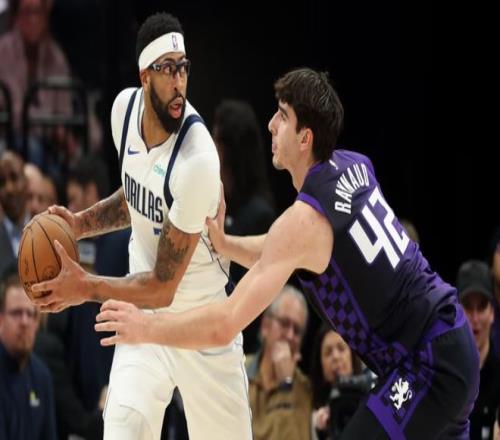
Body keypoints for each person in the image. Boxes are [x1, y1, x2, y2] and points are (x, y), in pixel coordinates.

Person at [95, 67, 480, 439]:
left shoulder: (304, 222)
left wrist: (146, 327)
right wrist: (226, 244)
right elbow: (281, 250)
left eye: (282, 116)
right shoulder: (355, 165)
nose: (271, 125)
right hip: (450, 339)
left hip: (428, 362)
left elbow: (225, 324)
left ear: (305, 138)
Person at [31, 12, 252, 440]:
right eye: (167, 69)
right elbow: (136, 193)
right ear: (144, 76)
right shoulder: (123, 110)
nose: (179, 82)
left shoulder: (198, 160)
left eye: (183, 68)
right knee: (124, 427)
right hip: (142, 316)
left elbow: (163, 288)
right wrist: (78, 224)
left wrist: (85, 287)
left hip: (200, 320)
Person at [212, 99, 276, 352]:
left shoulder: (259, 215)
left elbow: (251, 298)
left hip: (237, 346)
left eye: (216, 140)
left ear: (230, 150)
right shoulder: (215, 200)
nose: (210, 149)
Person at [245, 284, 312, 440]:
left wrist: (286, 385)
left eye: (297, 331)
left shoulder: (304, 389)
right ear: (265, 326)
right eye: (284, 323)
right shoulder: (239, 369)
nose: (290, 335)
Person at [0, 267, 57, 440]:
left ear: (37, 323)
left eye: (30, 314)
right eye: (16, 313)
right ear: (1, 319)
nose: (24, 322)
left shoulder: (41, 376)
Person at [458, 260, 500, 440]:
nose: (475, 318)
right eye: (468, 306)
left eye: (482, 306)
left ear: (492, 313)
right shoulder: (443, 373)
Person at [310, 324, 366, 439]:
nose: (335, 357)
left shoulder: (372, 392)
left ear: (352, 356)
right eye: (328, 352)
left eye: (341, 348)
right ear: (320, 364)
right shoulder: (313, 417)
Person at [0, 150, 29, 276]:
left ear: (26, 183)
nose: (9, 189)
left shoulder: (48, 232)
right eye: (1, 182)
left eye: (14, 178)